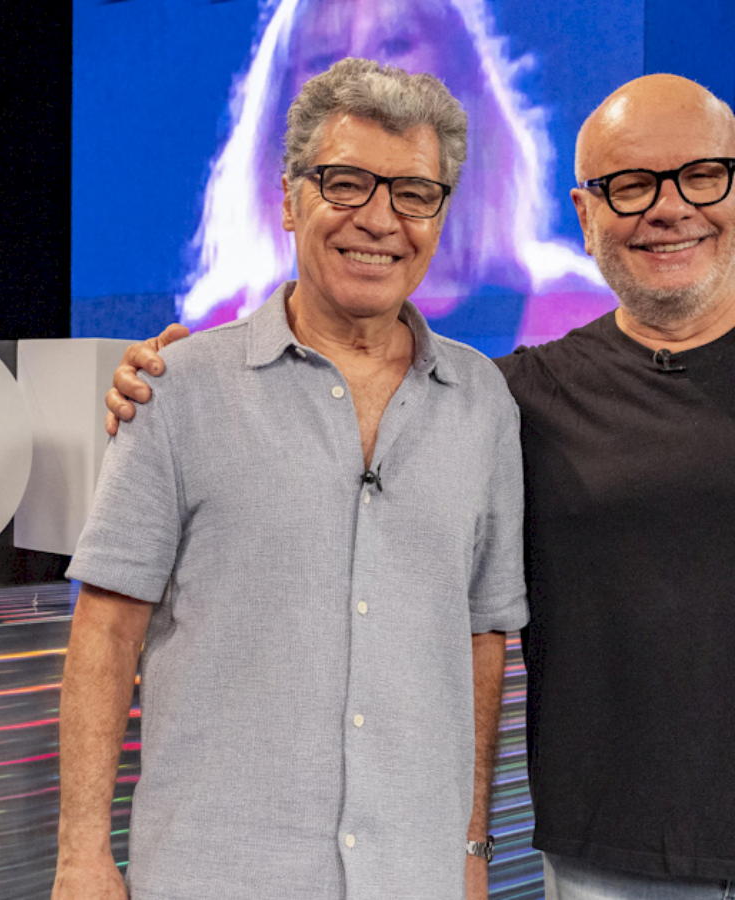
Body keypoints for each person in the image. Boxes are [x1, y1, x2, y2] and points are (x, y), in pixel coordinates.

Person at [110, 73, 735, 897]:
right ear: (586, 217)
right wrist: (168, 377)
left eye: (702, 175)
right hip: (614, 863)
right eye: (630, 185)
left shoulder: (489, 398)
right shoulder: (511, 398)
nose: (669, 207)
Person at [54, 58, 528, 900]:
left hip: (413, 876)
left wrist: (470, 847)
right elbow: (106, 631)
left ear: (440, 215)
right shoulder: (178, 389)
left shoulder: (484, 402)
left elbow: (481, 639)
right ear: (288, 199)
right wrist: (82, 856)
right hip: (217, 876)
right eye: (345, 183)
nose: (378, 219)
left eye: (413, 193)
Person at [177, 0, 612, 353]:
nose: (359, 72)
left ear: (461, 74)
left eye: (396, 43)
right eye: (324, 56)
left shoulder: (580, 312)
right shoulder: (217, 329)